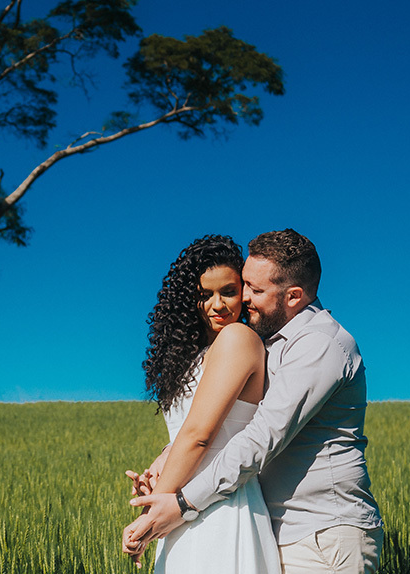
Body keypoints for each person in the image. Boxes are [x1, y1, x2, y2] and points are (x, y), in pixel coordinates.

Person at [124, 230, 384, 574]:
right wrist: (167, 461)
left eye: (254, 290)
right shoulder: (271, 342)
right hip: (272, 525)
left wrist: (179, 503)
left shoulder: (319, 344)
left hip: (322, 534)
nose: (244, 298)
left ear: (294, 296)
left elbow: (262, 435)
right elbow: (217, 423)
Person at [125, 235, 281, 573]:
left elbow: (199, 435)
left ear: (244, 291)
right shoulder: (196, 356)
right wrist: (158, 471)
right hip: (181, 506)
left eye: (228, 291)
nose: (218, 305)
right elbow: (185, 432)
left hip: (221, 508)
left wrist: (150, 515)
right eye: (204, 295)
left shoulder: (238, 339)